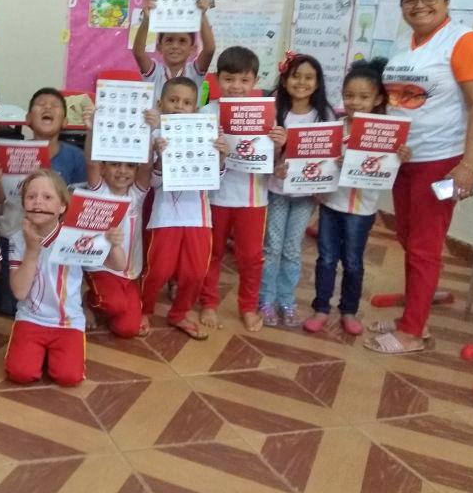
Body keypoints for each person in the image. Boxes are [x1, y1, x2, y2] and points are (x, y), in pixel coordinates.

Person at [366, 0, 473, 354]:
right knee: (407, 236)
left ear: (446, 1)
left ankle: (412, 331)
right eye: (410, 0)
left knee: (424, 244)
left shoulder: (464, 41)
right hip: (404, 159)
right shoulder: (407, 49)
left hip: (441, 160)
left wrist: (469, 165)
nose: (419, 5)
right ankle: (415, 309)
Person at [306, 59, 410, 335]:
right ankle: (320, 308)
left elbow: (387, 170)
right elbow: (317, 164)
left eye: (364, 97)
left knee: (352, 260)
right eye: (349, 96)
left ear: (377, 99)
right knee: (326, 258)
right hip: (331, 203)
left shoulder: (386, 132)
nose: (355, 102)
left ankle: (349, 310)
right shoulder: (334, 128)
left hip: (363, 209)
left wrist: (399, 158)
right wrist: (330, 165)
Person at [5, 170, 124, 386]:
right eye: (31, 197)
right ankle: (37, 352)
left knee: (69, 377)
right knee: (20, 373)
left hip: (67, 322)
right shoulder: (17, 239)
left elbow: (119, 265)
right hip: (31, 319)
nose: (38, 201)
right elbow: (20, 292)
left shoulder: (77, 236)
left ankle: (51, 353)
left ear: (62, 207)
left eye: (47, 197)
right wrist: (32, 251)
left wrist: (113, 243)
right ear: (24, 204)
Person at [199, 46, 286, 332]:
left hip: (253, 197)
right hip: (215, 196)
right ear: (217, 79)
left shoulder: (266, 114)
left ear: (255, 81)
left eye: (244, 80)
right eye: (229, 79)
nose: (236, 87)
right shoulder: (206, 112)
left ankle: (248, 306)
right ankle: (208, 302)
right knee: (212, 253)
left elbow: (273, 162)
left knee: (250, 256)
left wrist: (278, 144)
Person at [0, 87, 87, 316]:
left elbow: (77, 207)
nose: (48, 108)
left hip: (55, 242)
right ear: (29, 119)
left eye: (55, 106)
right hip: (13, 236)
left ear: (64, 121)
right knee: (7, 306)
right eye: (41, 104)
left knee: (51, 303)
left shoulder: (74, 157)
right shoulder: (10, 151)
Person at [259, 53, 335, 328]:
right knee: (272, 246)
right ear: (285, 78)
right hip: (277, 191)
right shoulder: (273, 110)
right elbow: (258, 151)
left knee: (292, 249)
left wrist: (331, 166)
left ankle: (287, 300)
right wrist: (275, 162)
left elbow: (328, 154)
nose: (301, 82)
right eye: (295, 76)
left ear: (317, 83)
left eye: (308, 77)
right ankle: (265, 300)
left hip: (305, 196)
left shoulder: (324, 114)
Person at [140, 77, 216, 339]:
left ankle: (179, 313)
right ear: (161, 104)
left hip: (198, 216)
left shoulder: (207, 134)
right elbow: (151, 182)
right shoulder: (154, 136)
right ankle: (144, 309)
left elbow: (216, 178)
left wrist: (222, 155)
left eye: (186, 103)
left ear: (195, 109)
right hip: (164, 216)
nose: (179, 107)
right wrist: (159, 159)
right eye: (173, 101)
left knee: (195, 272)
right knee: (158, 269)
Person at [82, 106, 151, 337]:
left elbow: (148, 166)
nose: (122, 171)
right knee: (114, 305)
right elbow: (91, 163)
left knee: (127, 329)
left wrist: (151, 130)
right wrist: (92, 130)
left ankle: (111, 303)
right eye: (115, 164)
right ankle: (86, 298)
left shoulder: (136, 194)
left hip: (129, 271)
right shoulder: (99, 190)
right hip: (101, 268)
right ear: (104, 168)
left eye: (130, 165)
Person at [132, 0, 215, 106]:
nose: (175, 46)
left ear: (193, 49)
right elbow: (138, 53)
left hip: (187, 124)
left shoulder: (194, 72)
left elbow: (209, 49)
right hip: (157, 124)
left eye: (182, 41)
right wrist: (146, 20)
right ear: (159, 47)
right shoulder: (155, 73)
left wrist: (201, 14)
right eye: (169, 40)